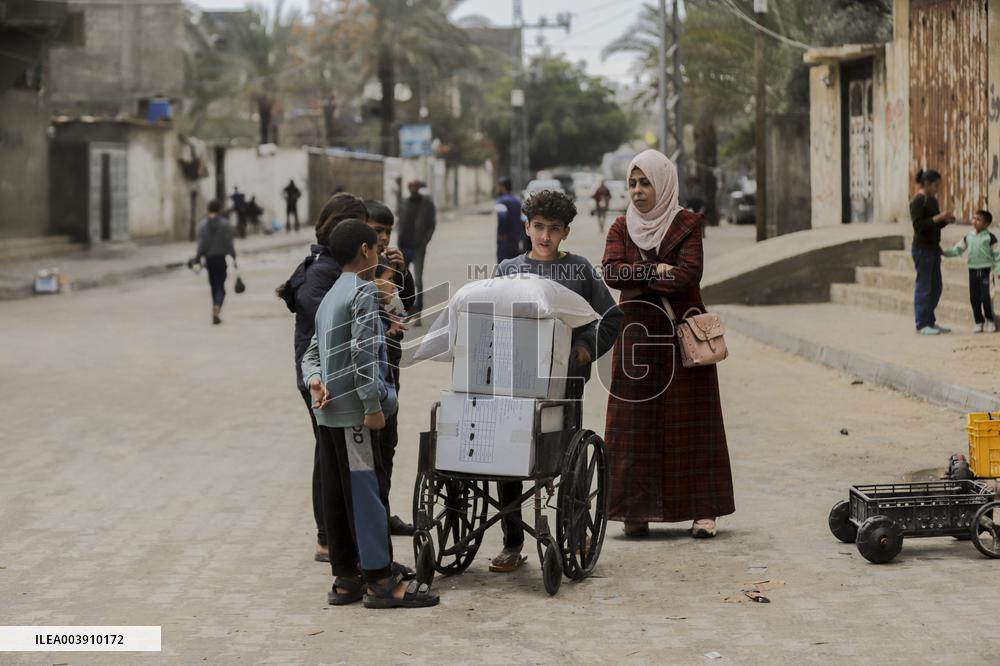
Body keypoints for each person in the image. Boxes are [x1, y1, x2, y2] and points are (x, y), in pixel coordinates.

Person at [301, 220, 438, 609]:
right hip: (355, 418)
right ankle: (380, 579)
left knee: (337, 496)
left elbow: (311, 353)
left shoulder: (331, 296)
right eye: (375, 247)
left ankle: (346, 579)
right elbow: (364, 356)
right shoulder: (361, 293)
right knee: (364, 494)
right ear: (365, 250)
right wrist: (373, 407)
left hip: (328, 415)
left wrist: (314, 380)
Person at [601, 149, 734, 539]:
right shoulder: (621, 228)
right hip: (638, 339)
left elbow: (688, 274)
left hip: (682, 337)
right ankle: (634, 511)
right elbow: (611, 272)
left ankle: (702, 511)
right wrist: (654, 269)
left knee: (693, 423)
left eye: (646, 182)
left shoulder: (687, 224)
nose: (639, 191)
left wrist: (640, 276)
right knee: (633, 425)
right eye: (633, 183)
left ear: (664, 184)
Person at [490, 189, 624, 572]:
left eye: (553, 229)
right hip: (514, 383)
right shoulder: (507, 269)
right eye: (538, 227)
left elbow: (611, 317)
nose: (544, 236)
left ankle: (577, 527)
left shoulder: (579, 270)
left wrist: (585, 349)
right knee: (510, 460)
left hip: (564, 383)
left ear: (566, 232)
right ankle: (513, 544)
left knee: (567, 455)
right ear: (526, 226)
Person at [277, 192, 370, 563]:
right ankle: (327, 538)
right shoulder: (323, 273)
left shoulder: (331, 267)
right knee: (329, 460)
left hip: (327, 377)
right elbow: (330, 328)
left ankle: (333, 538)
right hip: (322, 380)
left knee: (329, 457)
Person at [364, 200, 417, 536]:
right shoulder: (358, 266)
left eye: (387, 231)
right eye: (377, 230)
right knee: (369, 453)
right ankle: (369, 521)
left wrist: (404, 272)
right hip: (370, 376)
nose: (383, 238)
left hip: (390, 372)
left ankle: (382, 513)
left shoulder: (388, 263)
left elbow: (405, 306)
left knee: (388, 445)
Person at [910, 168, 955, 335]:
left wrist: (946, 220)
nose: (937, 189)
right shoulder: (917, 201)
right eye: (936, 186)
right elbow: (919, 226)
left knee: (936, 287)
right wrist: (938, 217)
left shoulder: (932, 201)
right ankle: (921, 324)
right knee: (924, 286)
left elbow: (934, 224)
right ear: (927, 184)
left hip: (933, 248)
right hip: (922, 250)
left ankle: (930, 321)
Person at [943, 209, 999, 333]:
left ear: (986, 224)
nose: (975, 221)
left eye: (979, 219)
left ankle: (990, 320)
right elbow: (957, 249)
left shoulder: (990, 238)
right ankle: (978, 321)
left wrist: (998, 270)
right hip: (972, 271)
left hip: (986, 271)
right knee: (974, 298)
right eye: (974, 218)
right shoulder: (969, 237)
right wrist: (945, 253)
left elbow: (997, 255)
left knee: (986, 297)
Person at [397, 179, 436, 325]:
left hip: (418, 247)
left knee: (418, 281)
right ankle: (408, 310)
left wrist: (424, 242)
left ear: (419, 187)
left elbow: (432, 225)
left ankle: (418, 313)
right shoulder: (404, 202)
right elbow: (401, 223)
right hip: (404, 247)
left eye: (415, 186)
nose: (413, 188)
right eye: (410, 186)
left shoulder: (427, 203)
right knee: (403, 281)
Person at [193, 199, 237, 325]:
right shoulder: (225, 224)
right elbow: (229, 243)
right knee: (221, 286)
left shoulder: (202, 225)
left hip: (209, 260)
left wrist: (198, 257)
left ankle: (215, 306)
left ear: (208, 210)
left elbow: (201, 244)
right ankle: (217, 306)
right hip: (220, 259)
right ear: (219, 210)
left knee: (213, 285)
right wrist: (233, 257)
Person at [495, 177, 525, 262]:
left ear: (502, 187)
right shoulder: (517, 200)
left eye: (498, 186)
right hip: (516, 237)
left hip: (505, 239)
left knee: (503, 264)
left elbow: (502, 217)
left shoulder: (501, 201)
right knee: (514, 262)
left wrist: (502, 233)